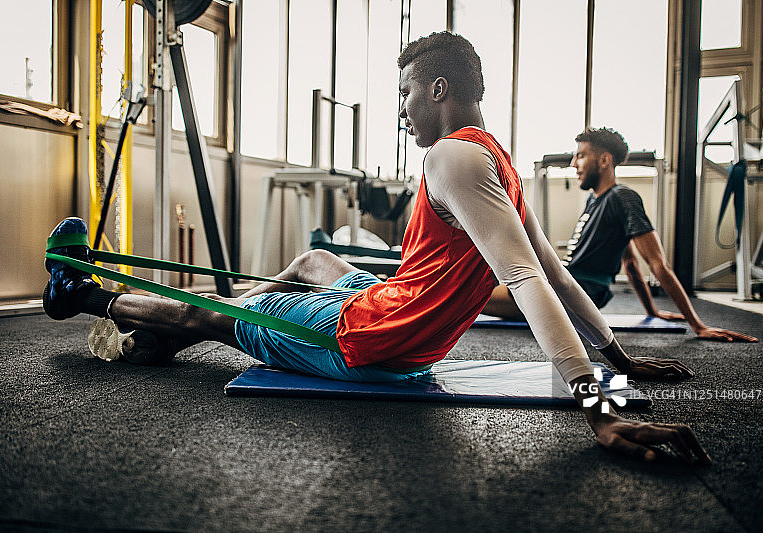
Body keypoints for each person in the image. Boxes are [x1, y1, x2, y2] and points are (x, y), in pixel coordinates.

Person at [43, 32, 709, 464]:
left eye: (406, 92)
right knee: (313, 263)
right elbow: (559, 272)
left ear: (438, 90)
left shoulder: (452, 158)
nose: (402, 108)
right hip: (398, 321)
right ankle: (165, 337)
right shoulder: (493, 161)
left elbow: (531, 279)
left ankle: (81, 295)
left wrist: (596, 409)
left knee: (214, 310)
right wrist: (620, 356)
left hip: (370, 341)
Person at [483, 127, 757, 343]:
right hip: (568, 286)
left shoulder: (623, 197)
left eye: (581, 155)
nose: (574, 163)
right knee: (485, 270)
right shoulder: (596, 201)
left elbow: (657, 264)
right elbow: (630, 263)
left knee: (472, 295)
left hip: (576, 292)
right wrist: (652, 313)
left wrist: (698, 325)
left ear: (604, 160)